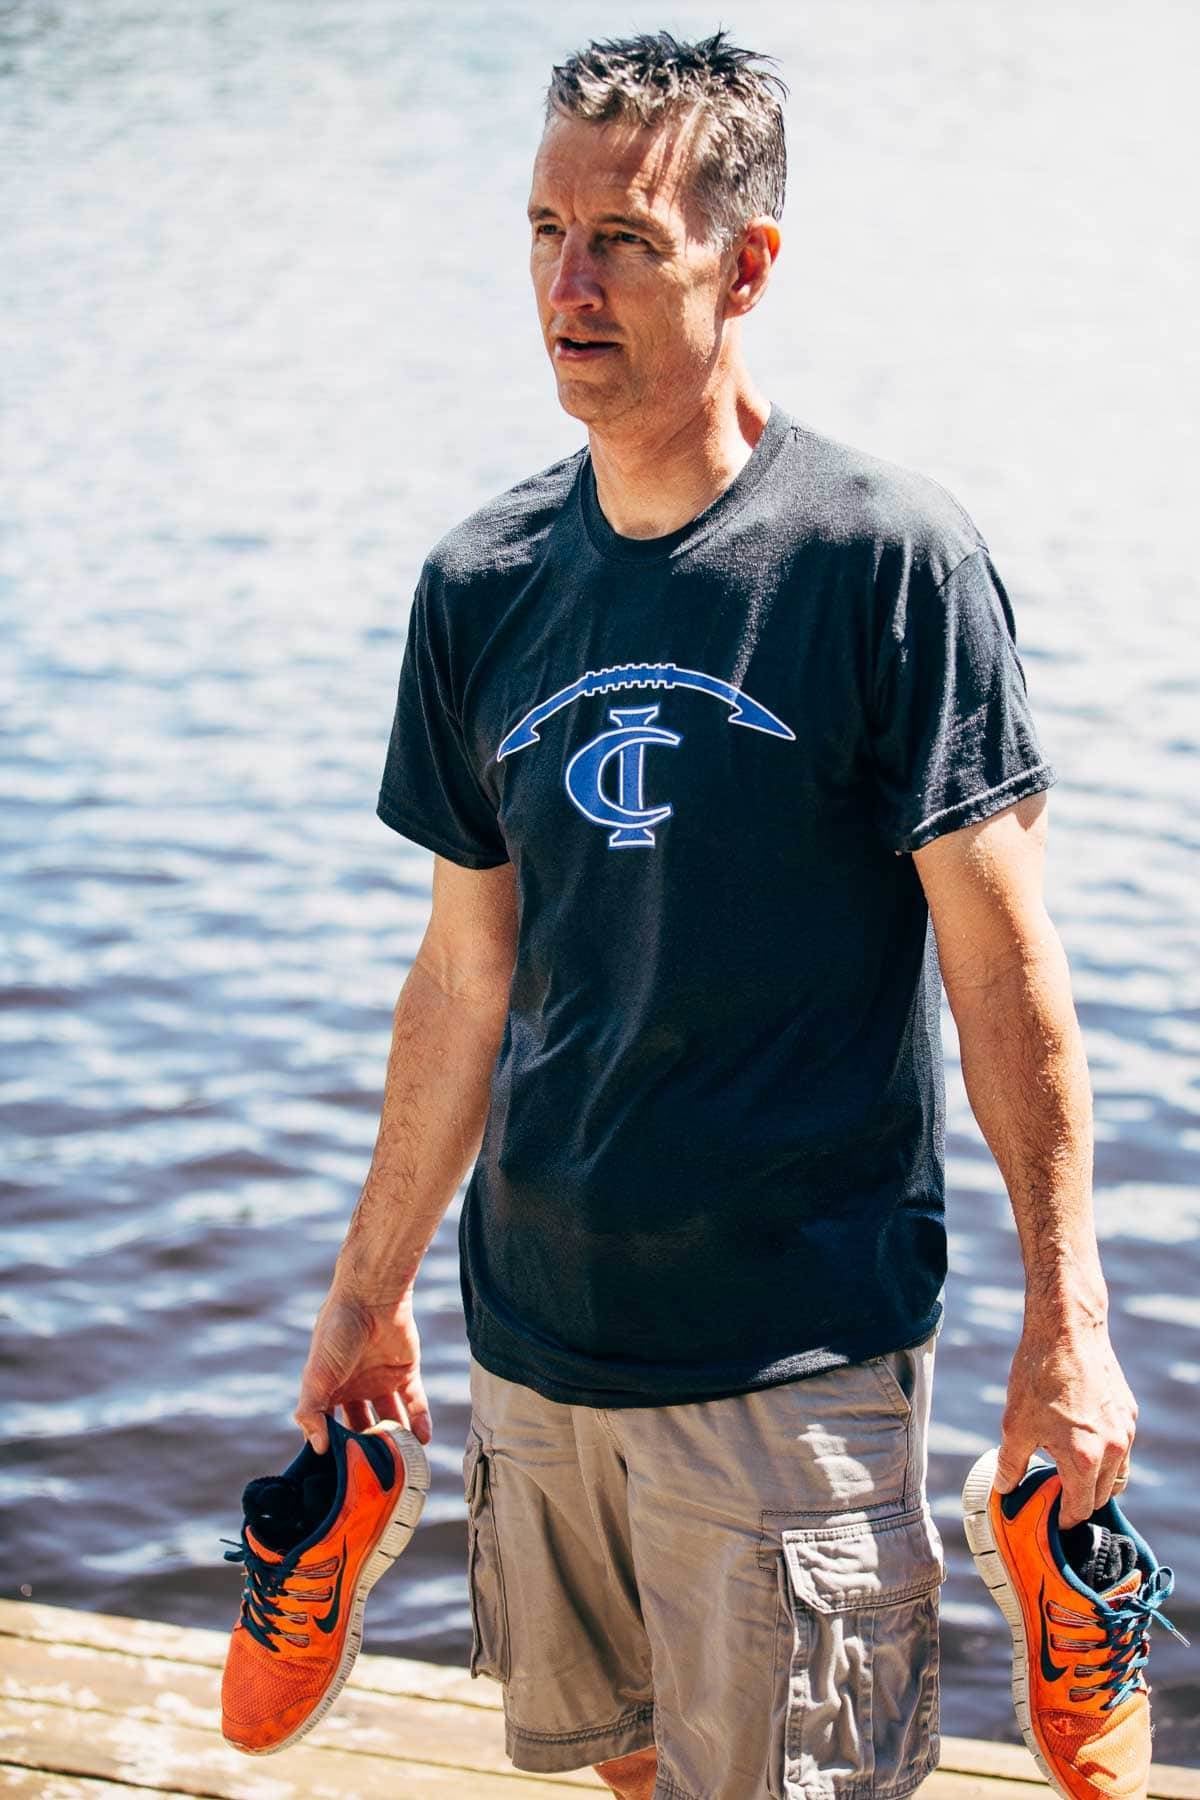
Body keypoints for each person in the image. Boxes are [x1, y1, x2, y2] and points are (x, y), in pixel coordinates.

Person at [293, 30, 1137, 1800]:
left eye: (626, 239)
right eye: (542, 229)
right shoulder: (481, 583)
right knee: (623, 1771)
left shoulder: (884, 560)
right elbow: (465, 972)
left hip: (790, 1359)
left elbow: (1003, 975)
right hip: (535, 1339)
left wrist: (1067, 1323)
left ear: (746, 264)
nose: (567, 284)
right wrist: (367, 1292)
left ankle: (1038, 1575)